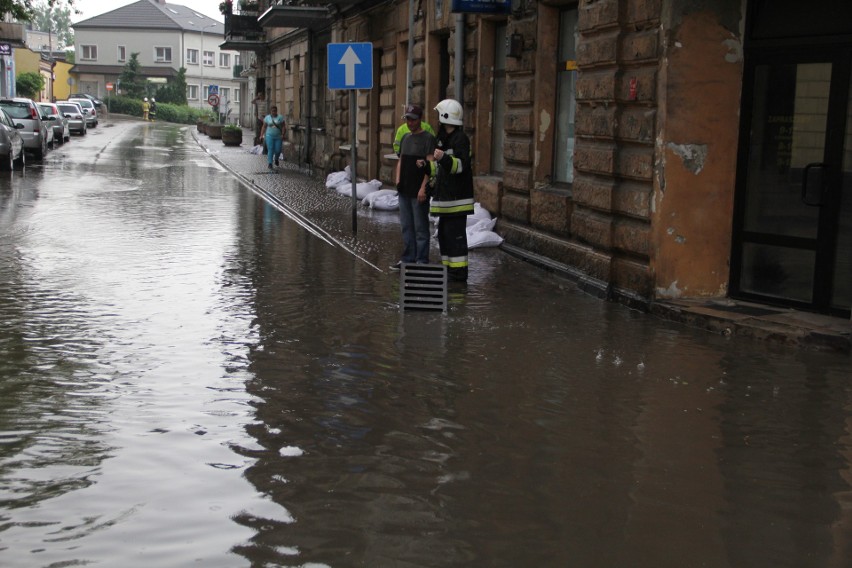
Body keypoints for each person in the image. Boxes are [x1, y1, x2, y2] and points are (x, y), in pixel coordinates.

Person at [429, 99, 475, 282]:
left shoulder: (460, 139)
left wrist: (443, 159)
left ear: (445, 116)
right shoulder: (443, 138)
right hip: (446, 198)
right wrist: (428, 172)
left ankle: (458, 274)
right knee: (444, 235)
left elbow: (461, 166)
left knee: (455, 238)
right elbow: (440, 170)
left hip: (457, 200)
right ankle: (448, 270)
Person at [391, 104, 436, 270]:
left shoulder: (428, 139)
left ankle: (422, 260)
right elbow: (401, 160)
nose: (410, 122)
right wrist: (397, 180)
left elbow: (430, 165)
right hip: (404, 188)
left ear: (420, 119)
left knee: (420, 227)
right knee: (406, 226)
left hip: (419, 191)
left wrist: (423, 188)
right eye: (408, 119)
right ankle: (407, 258)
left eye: (413, 119)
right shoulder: (405, 138)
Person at [260, 105, 285, 170]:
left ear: (276, 111)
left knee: (278, 150)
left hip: (278, 137)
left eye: (275, 111)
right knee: (270, 149)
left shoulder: (280, 117)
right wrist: (261, 135)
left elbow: (283, 126)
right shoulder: (267, 118)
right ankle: (270, 163)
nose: (274, 112)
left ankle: (276, 159)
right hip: (269, 136)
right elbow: (264, 127)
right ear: (270, 111)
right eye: (272, 111)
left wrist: (282, 134)